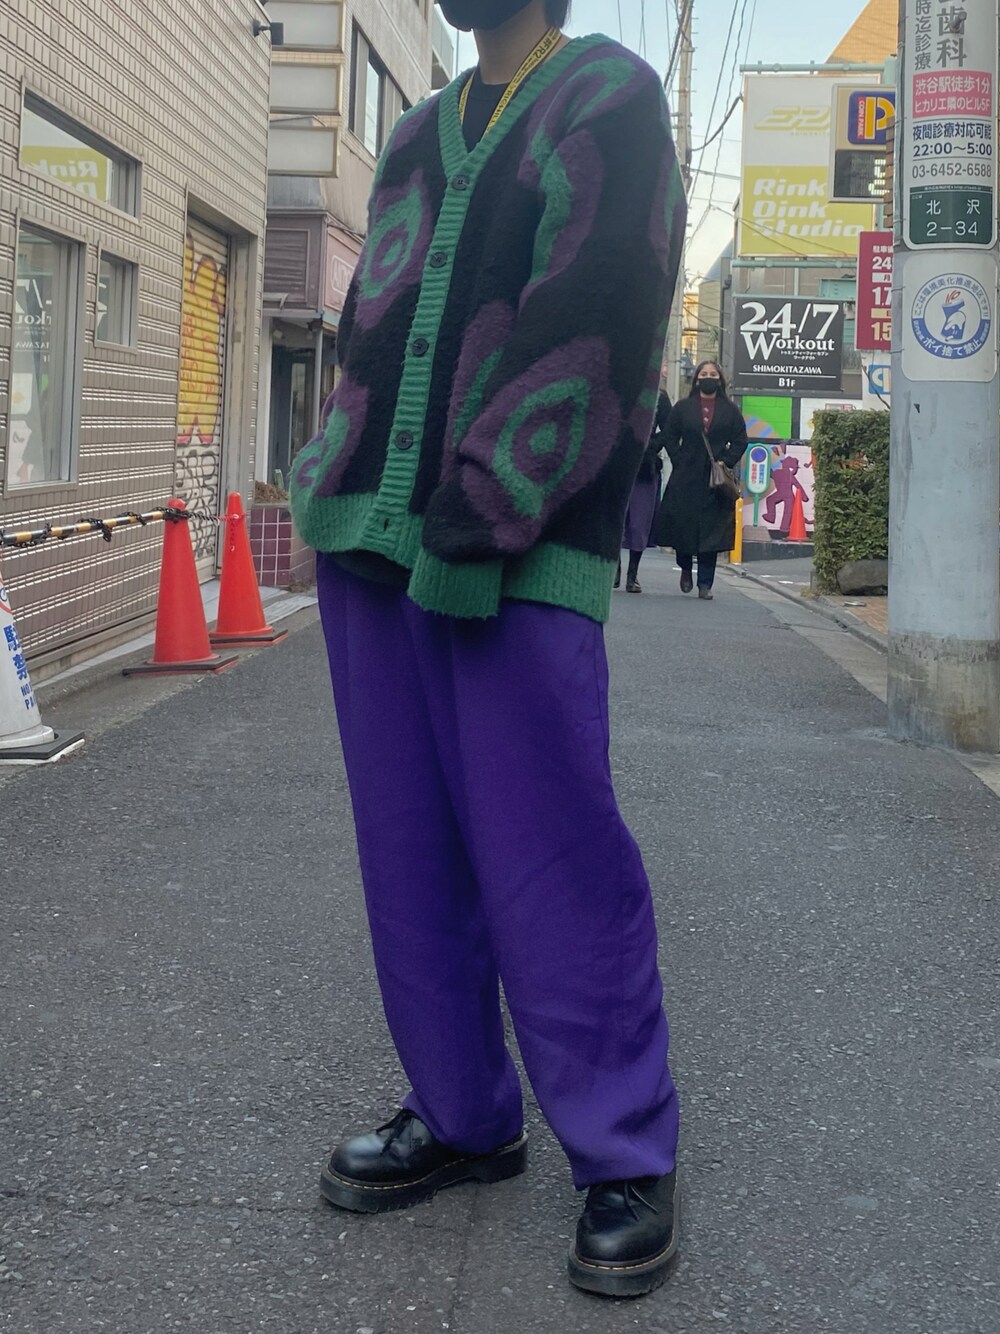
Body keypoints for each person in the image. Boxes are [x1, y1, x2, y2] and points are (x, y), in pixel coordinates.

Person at [290, 0, 685, 1299]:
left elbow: (604, 305)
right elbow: (374, 316)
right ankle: (463, 1112)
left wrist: (491, 500)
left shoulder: (607, 96)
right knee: (407, 850)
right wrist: (332, 472)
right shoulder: (415, 133)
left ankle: (624, 1145)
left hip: (513, 538)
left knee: (553, 847)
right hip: (374, 540)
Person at [653, 361, 748, 600]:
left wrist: (725, 461)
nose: (708, 378)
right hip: (686, 476)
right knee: (682, 526)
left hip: (715, 480)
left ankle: (705, 584)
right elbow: (670, 435)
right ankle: (685, 567)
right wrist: (678, 458)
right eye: (704, 374)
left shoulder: (730, 410)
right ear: (696, 379)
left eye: (713, 374)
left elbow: (740, 440)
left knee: (712, 533)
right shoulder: (683, 408)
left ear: (720, 380)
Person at [616, 388, 671, 593]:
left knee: (639, 522)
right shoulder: (619, 384)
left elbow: (669, 429)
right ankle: (614, 568)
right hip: (615, 465)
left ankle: (632, 573)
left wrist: (651, 445)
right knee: (614, 520)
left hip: (645, 468)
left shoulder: (660, 396)